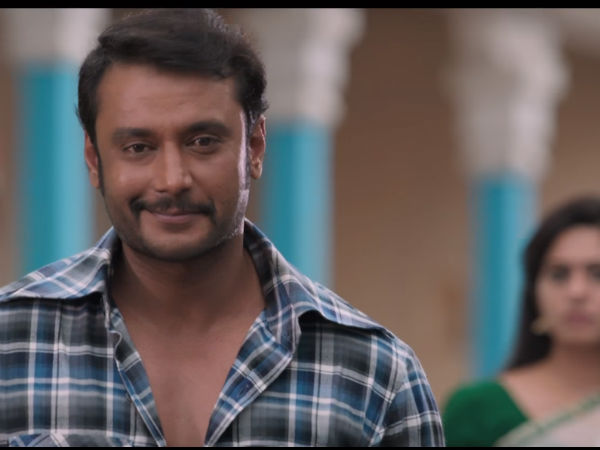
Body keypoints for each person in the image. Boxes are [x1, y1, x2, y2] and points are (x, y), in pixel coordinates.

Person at [0, 8, 444, 447]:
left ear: (255, 147)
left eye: (202, 142)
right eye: (138, 147)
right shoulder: (11, 343)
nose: (172, 179)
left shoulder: (375, 376)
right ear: (94, 160)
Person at [443, 195, 600, 446]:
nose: (576, 292)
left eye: (597, 274)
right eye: (559, 275)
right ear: (533, 292)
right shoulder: (477, 410)